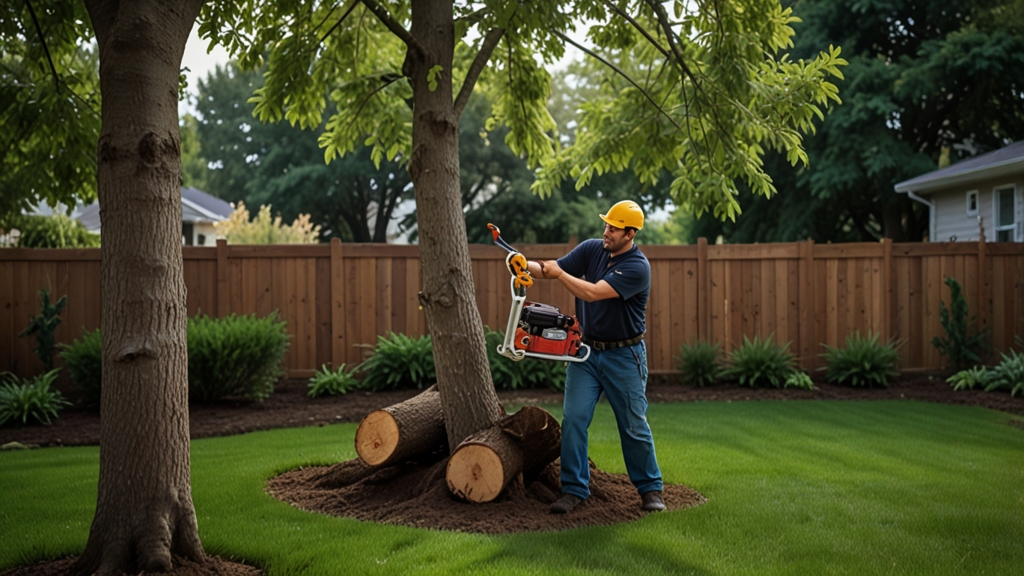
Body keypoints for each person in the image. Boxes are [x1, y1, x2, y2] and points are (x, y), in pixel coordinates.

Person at [525, 200, 665, 514]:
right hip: (586, 354)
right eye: (606, 225)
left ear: (630, 233)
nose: (606, 232)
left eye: (613, 228)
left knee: (632, 424)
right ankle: (574, 490)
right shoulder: (592, 249)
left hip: (625, 355)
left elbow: (591, 292)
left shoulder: (637, 267)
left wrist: (559, 274)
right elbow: (549, 269)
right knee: (574, 419)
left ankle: (650, 490)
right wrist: (524, 265)